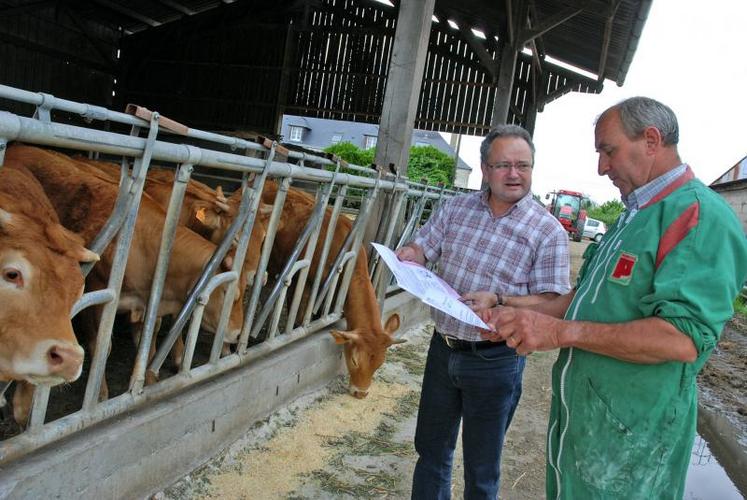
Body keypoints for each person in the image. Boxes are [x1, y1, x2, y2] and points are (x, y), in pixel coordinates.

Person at [479, 97, 747, 499]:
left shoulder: (697, 216)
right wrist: (511, 310)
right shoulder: (633, 215)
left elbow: (681, 338)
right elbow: (583, 300)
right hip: (589, 427)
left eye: (608, 150)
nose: (601, 166)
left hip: (633, 437)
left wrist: (559, 333)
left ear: (652, 141)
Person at [396, 124, 571, 499]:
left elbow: (554, 305)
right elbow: (423, 245)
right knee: (431, 453)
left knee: (482, 469)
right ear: (485, 169)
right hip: (443, 350)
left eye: (523, 166)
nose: (514, 174)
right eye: (503, 165)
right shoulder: (456, 209)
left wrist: (502, 300)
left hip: (495, 361)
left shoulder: (547, 231)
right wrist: (413, 253)